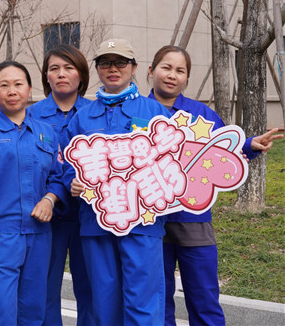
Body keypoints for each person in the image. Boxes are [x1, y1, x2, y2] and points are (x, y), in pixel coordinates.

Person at [147, 45, 283, 326]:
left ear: (187, 78)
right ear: (151, 70)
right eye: (166, 67)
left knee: (204, 296)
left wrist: (251, 145)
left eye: (180, 71)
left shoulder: (201, 115)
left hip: (193, 218)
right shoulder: (135, 112)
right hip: (149, 219)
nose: (172, 75)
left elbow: (225, 150)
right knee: (156, 299)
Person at [0, 60, 69, 326]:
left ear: (29, 89)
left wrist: (50, 199)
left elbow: (58, 177)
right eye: (4, 85)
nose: (12, 91)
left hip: (39, 235)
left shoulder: (46, 133)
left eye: (18, 84)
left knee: (33, 312)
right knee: (1, 313)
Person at [68, 39, 171, 325]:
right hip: (97, 222)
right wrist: (73, 182)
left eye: (121, 62)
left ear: (134, 68)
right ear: (97, 69)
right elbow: (66, 164)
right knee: (104, 302)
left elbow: (177, 162)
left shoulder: (155, 113)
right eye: (105, 63)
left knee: (143, 301)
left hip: (143, 223)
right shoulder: (82, 117)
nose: (113, 69)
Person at [27, 45, 94, 326]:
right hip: (46, 215)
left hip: (89, 215)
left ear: (82, 74)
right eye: (54, 69)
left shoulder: (95, 112)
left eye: (69, 68)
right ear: (46, 76)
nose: (61, 74)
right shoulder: (30, 114)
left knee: (90, 289)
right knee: (44, 289)